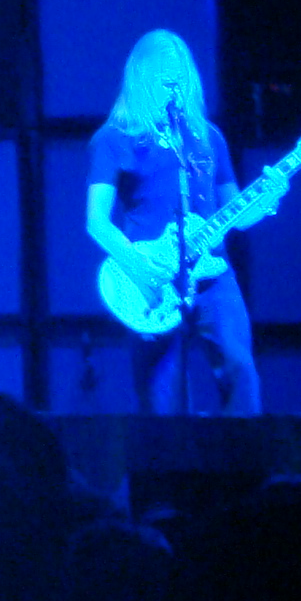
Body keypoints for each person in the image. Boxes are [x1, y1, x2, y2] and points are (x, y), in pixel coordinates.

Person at [84, 28, 260, 415]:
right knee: (162, 397)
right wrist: (139, 266)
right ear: (143, 79)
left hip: (213, 275)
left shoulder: (208, 138)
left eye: (179, 78)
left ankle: (245, 453)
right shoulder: (113, 139)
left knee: (241, 373)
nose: (173, 87)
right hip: (152, 279)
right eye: (164, 80)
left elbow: (239, 213)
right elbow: (96, 221)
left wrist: (267, 198)